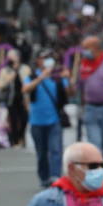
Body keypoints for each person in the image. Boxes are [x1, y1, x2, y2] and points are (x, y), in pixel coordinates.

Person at [23, 51, 69, 186]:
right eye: (44, 58)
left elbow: (70, 92)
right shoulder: (31, 76)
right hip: (36, 121)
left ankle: (55, 177)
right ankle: (44, 178)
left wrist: (69, 78)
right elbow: (25, 89)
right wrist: (41, 78)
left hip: (54, 120)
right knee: (41, 153)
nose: (48, 61)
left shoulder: (58, 77)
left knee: (56, 150)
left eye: (50, 58)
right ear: (38, 61)